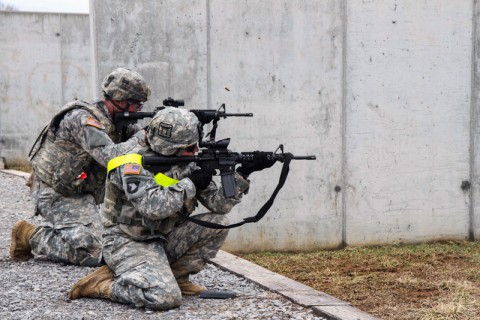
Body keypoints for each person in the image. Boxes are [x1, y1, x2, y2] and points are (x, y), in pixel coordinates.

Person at [68, 107, 275, 310]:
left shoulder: (188, 161)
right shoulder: (131, 163)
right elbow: (152, 207)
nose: (196, 150)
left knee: (218, 223)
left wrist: (243, 174)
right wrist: (191, 184)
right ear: (170, 147)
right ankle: (102, 285)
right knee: (163, 297)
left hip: (164, 236)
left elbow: (218, 205)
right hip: (128, 240)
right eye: (190, 146)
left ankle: (176, 278)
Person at [10, 67, 151, 267]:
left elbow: (139, 150)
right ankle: (31, 236)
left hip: (83, 191)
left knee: (116, 246)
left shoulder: (121, 122)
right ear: (120, 100)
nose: (138, 109)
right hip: (55, 191)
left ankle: (79, 228)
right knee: (92, 252)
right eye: (135, 104)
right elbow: (111, 158)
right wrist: (143, 137)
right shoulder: (83, 119)